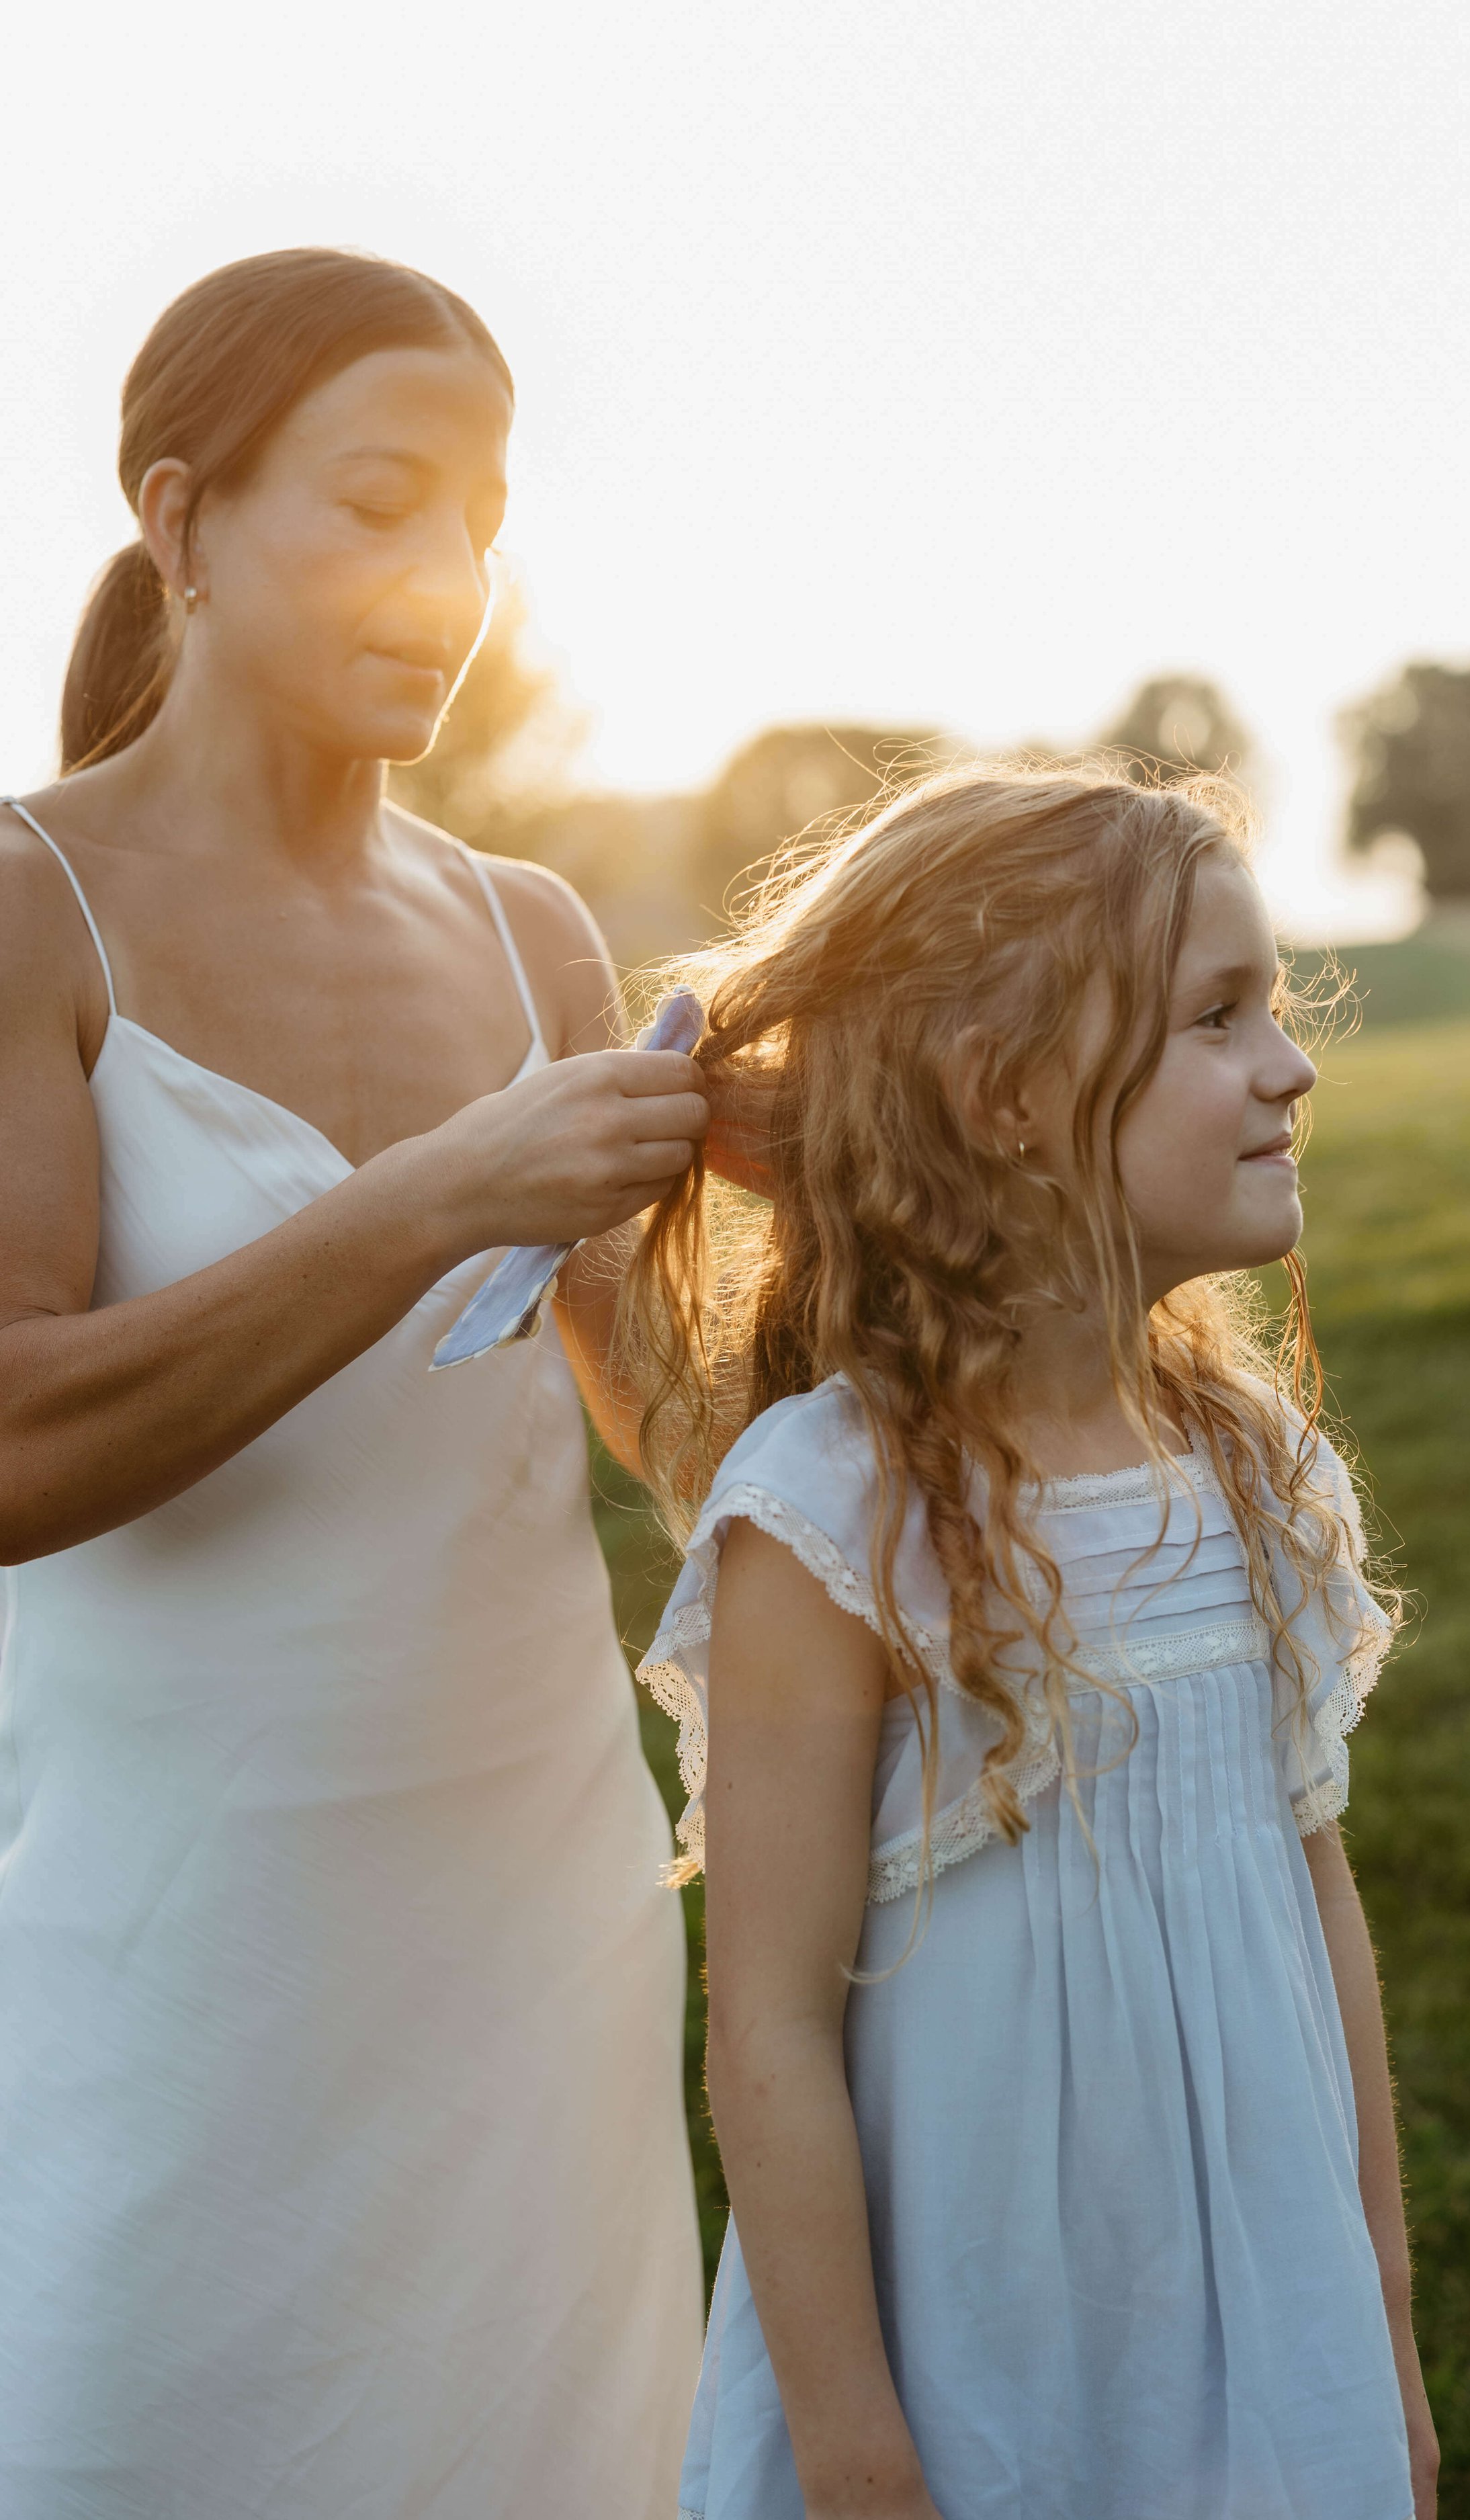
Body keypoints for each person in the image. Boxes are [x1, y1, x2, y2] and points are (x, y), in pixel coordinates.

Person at [0, 249, 707, 2518]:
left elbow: (678, 1437)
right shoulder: (34, 907)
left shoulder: (533, 934)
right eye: (383, 502)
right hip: (177, 1948)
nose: (450, 581)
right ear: (181, 517)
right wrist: (431, 1197)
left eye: (485, 520)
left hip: (539, 1918)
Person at [621, 766, 1441, 2520]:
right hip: (969, 2361)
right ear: (1002, 1096)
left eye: (1272, 1011)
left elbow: (1318, 1910)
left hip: (1257, 2329)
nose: (1289, 1067)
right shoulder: (835, 1510)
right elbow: (763, 2026)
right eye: (1217, 1018)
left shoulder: (1249, 1468)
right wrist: (854, 2460)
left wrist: (1375, 2334)